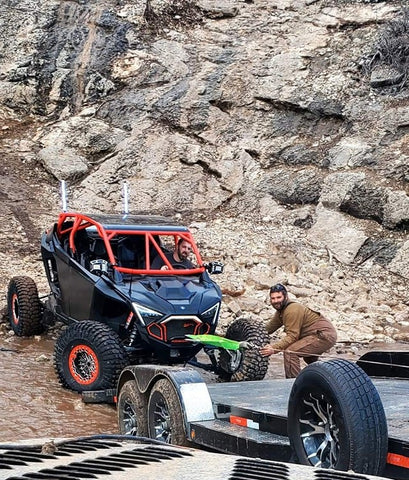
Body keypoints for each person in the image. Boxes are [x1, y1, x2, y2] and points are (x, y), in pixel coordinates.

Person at [260, 283, 337, 378]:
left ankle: (292, 385)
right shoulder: (281, 312)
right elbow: (268, 328)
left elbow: (292, 336)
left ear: (285, 296)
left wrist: (274, 348)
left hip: (323, 335)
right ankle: (326, 377)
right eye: (273, 298)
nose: (276, 301)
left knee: (290, 352)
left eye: (278, 297)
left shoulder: (291, 310)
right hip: (314, 335)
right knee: (310, 359)